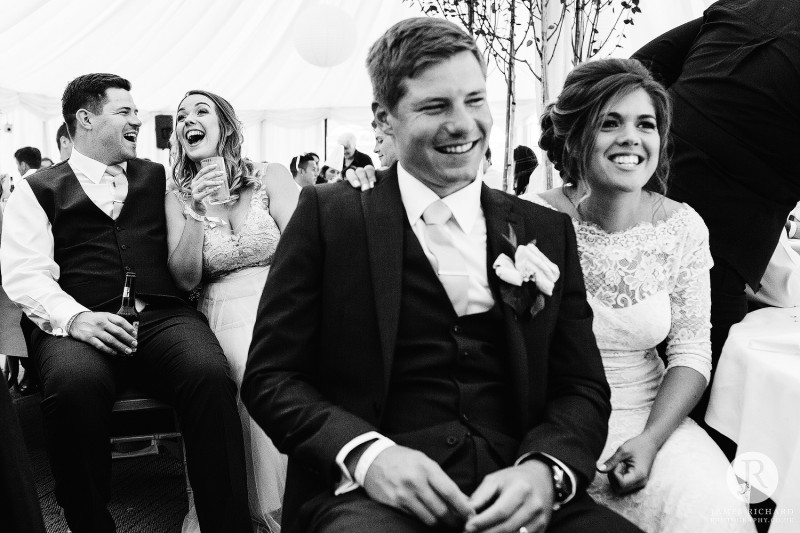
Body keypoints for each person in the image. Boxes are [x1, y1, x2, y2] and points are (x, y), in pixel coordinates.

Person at [242, 17, 642, 533]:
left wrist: (547, 468)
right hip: (371, 502)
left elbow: (582, 385)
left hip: (520, 489)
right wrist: (368, 457)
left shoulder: (546, 229)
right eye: (435, 106)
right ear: (383, 119)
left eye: (475, 101)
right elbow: (272, 377)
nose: (464, 124)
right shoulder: (329, 217)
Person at [0, 73, 251, 533]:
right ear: (86, 118)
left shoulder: (157, 177)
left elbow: (220, 180)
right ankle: (90, 523)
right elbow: (25, 273)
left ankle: (227, 524)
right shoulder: (37, 189)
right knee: (73, 389)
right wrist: (76, 319)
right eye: (125, 112)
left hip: (162, 317)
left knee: (209, 375)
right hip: (78, 324)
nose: (139, 120)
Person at [525, 58, 755, 532]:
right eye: (610, 122)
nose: (631, 137)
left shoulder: (683, 227)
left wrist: (651, 440)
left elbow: (691, 352)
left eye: (645, 124)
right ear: (574, 136)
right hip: (548, 421)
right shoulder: (531, 220)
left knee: (714, 513)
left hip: (651, 417)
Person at [631, 0, 800, 423]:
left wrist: (657, 139)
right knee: (703, 389)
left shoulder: (750, 3)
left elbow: (640, 67)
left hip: (645, 192)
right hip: (729, 233)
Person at [166, 89, 299, 533]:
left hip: (280, 302)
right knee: (242, 365)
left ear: (225, 125)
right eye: (181, 116)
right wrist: (196, 213)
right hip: (219, 309)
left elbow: (305, 250)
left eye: (200, 111)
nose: (188, 120)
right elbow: (185, 278)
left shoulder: (271, 176)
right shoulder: (177, 198)